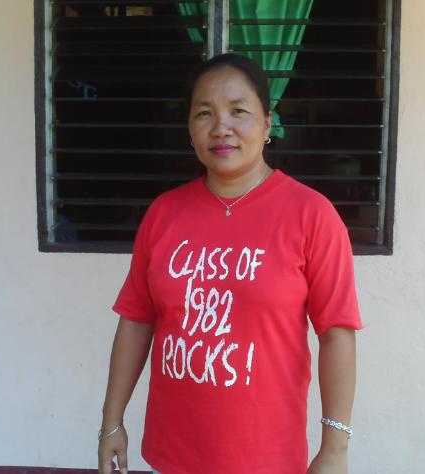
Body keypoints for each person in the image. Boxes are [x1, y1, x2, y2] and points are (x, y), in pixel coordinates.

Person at [98, 53, 363, 474]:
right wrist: (111, 423)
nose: (221, 127)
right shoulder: (164, 213)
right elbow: (135, 320)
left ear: (267, 123)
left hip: (266, 457)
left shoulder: (311, 215)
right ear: (190, 128)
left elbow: (336, 334)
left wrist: (335, 449)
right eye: (205, 113)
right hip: (173, 452)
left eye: (239, 111)